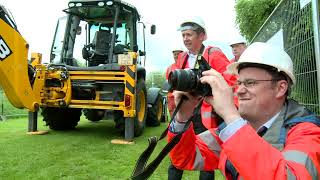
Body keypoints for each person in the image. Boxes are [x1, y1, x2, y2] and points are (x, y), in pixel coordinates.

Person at [168, 42, 320, 179]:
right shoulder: (237, 129)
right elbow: (187, 157)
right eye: (239, 83)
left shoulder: (307, 133)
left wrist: (230, 115)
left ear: (281, 88)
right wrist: (182, 116)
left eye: (250, 83)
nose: (239, 90)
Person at [167, 16, 236, 180]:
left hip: (206, 116)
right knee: (176, 153)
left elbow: (230, 83)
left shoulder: (214, 54)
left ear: (202, 36)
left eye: (189, 35)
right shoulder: (182, 58)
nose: (185, 39)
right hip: (186, 110)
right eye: (183, 35)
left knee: (205, 159)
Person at [166, 47, 183, 117]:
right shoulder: (169, 68)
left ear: (182, 54)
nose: (176, 56)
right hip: (171, 96)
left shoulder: (185, 66)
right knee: (172, 114)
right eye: (174, 54)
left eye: (178, 54)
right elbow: (167, 82)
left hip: (183, 96)